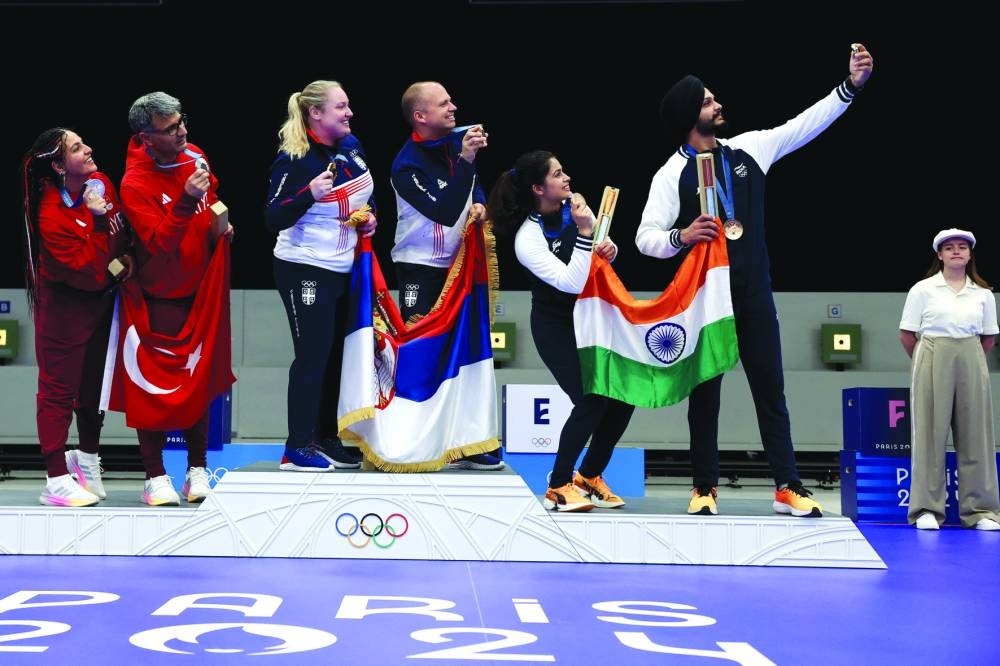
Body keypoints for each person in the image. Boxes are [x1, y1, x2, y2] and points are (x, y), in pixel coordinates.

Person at [637, 45, 875, 517]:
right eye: (706, 101)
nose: (717, 104)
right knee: (705, 397)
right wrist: (679, 236)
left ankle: (788, 485)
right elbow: (645, 238)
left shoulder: (750, 149)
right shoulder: (670, 174)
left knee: (771, 391)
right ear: (690, 115)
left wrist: (850, 87)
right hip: (706, 301)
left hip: (754, 293)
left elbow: (804, 124)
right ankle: (704, 487)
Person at [487, 151, 634, 511]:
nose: (567, 177)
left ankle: (589, 476)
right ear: (539, 188)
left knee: (624, 397)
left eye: (564, 170)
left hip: (591, 319)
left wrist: (605, 247)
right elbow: (570, 282)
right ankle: (558, 484)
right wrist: (586, 234)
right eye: (557, 174)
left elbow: (596, 258)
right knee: (590, 401)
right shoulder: (528, 240)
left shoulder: (577, 207)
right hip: (556, 326)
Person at [121, 91, 233, 506]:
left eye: (182, 121)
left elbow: (214, 198)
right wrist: (186, 198)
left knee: (199, 383)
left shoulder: (197, 155)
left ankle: (197, 470)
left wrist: (221, 225)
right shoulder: (135, 183)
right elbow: (157, 243)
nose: (182, 131)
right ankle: (154, 476)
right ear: (146, 137)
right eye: (171, 130)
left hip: (201, 291)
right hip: (158, 297)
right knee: (152, 387)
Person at [265, 80, 377, 472]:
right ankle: (296, 447)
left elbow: (365, 193)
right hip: (304, 268)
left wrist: (370, 216)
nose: (349, 113)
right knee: (312, 356)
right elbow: (273, 217)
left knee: (335, 357)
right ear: (315, 113)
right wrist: (308, 194)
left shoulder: (352, 147)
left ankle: (326, 437)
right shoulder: (295, 159)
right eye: (341, 107)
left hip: (344, 267)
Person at [390, 81, 502, 471]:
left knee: (466, 354)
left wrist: (482, 204)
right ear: (421, 116)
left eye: (452, 100)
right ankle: (412, 440)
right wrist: (468, 161)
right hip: (419, 268)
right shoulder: (405, 165)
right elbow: (443, 210)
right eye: (444, 104)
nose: (454, 107)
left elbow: (473, 189)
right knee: (421, 354)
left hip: (460, 268)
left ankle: (467, 442)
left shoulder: (455, 143)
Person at [20, 128, 133, 507]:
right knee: (57, 391)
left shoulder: (101, 184)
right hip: (64, 309)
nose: (88, 149)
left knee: (92, 389)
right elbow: (86, 268)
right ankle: (55, 477)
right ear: (57, 165)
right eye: (76, 148)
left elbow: (120, 238)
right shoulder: (50, 213)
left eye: (84, 143)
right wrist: (99, 224)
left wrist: (127, 258)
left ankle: (85, 458)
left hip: (101, 303)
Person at [899, 229, 1000, 531]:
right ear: (940, 255)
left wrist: (967, 357)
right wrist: (927, 361)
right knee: (930, 433)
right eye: (949, 248)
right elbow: (907, 335)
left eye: (962, 247)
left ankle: (981, 511)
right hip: (932, 352)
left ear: (970, 255)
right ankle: (926, 510)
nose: (956, 251)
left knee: (976, 435)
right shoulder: (923, 290)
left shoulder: (982, 294)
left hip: (971, 352)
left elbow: (989, 338)